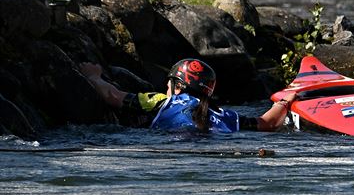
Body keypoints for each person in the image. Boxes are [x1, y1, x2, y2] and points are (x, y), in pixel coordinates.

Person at [79, 58, 296, 133]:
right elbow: (267, 123)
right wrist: (287, 100)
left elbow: (112, 96)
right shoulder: (224, 114)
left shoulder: (163, 102)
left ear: (177, 85)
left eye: (169, 83)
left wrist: (93, 76)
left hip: (172, 147)